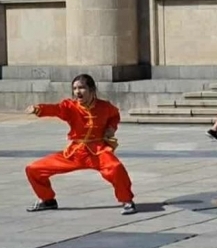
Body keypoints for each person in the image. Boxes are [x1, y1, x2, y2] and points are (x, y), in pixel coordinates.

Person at [24, 74, 137, 215]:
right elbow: (56, 109)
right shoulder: (70, 106)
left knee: (116, 168)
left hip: (98, 151)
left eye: (82, 87)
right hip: (75, 153)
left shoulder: (105, 107)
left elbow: (114, 116)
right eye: (75, 88)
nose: (78, 91)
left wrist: (111, 128)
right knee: (33, 169)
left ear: (92, 89)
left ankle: (127, 200)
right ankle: (47, 200)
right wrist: (38, 108)